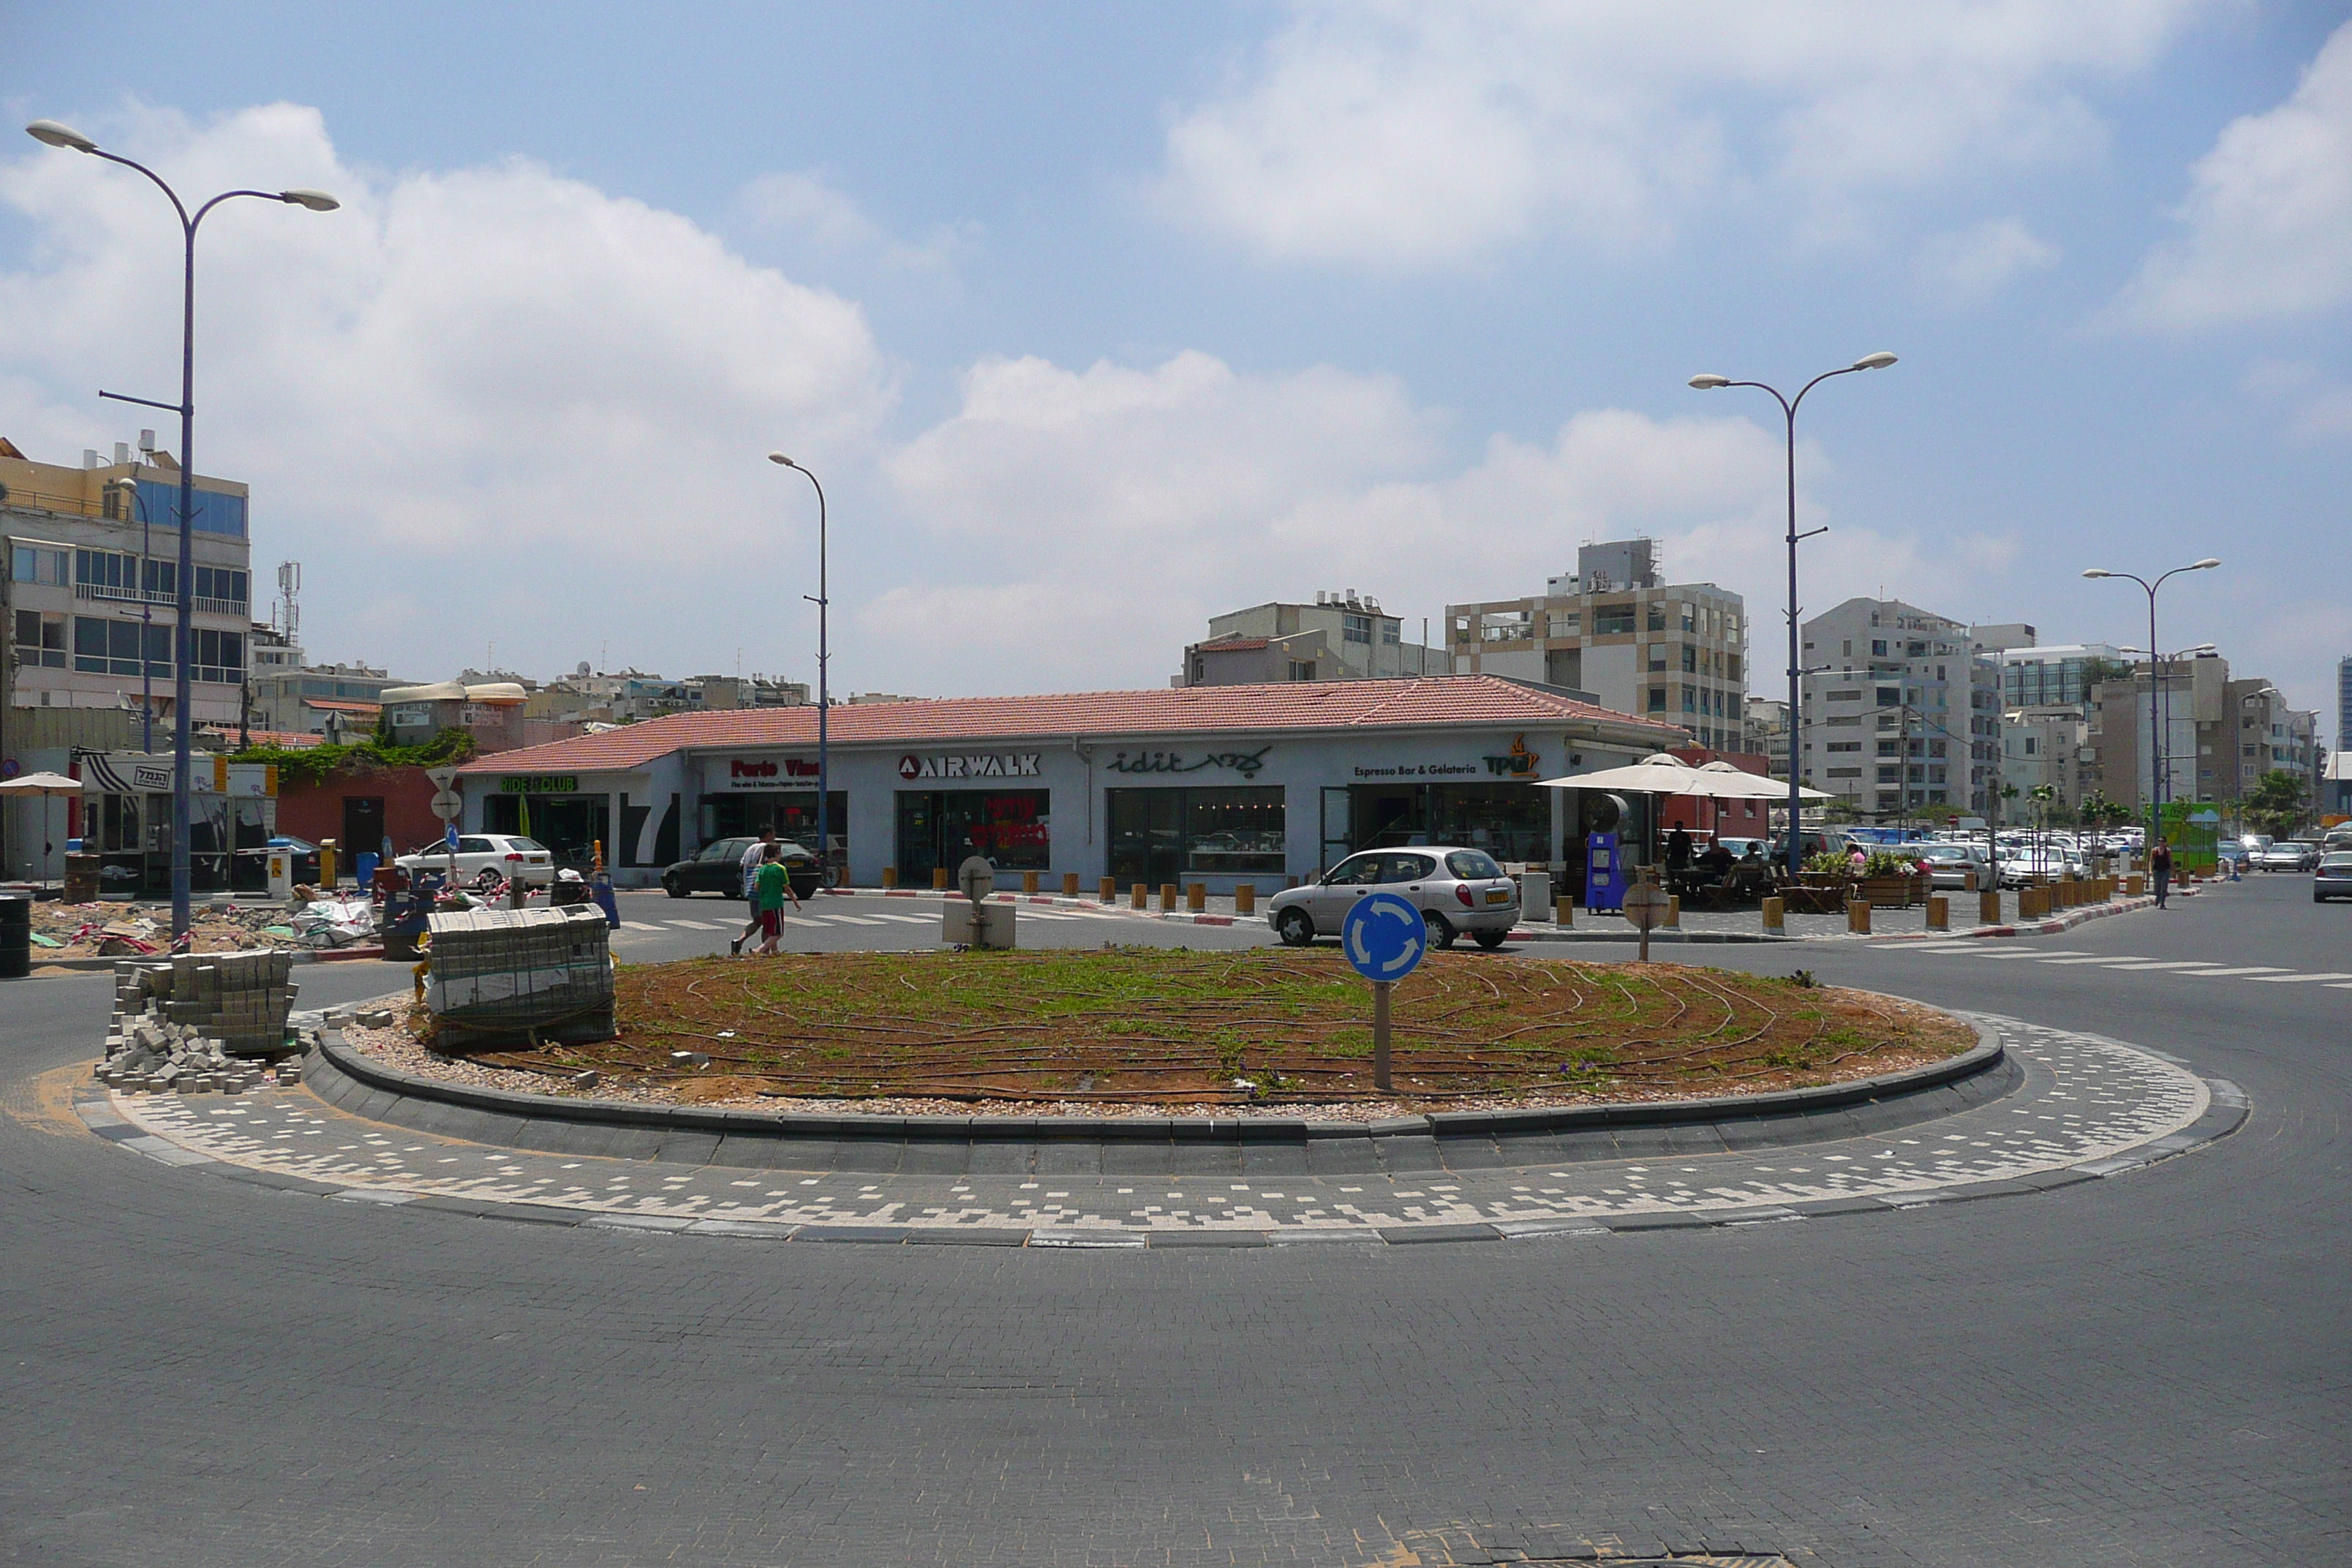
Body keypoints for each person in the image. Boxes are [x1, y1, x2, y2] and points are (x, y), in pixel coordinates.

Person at [730, 829, 784, 956]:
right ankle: (766, 951)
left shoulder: (750, 848)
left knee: (758, 920)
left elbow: (741, 866)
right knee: (768, 921)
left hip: (750, 889)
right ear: (768, 835)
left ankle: (739, 941)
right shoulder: (766, 848)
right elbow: (769, 866)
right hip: (762, 891)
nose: (774, 837)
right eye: (773, 834)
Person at [750, 843, 793, 955]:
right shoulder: (780, 869)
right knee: (778, 933)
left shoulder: (763, 869)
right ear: (777, 854)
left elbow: (756, 887)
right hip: (776, 904)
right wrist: (796, 902)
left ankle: (775, 951)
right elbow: (787, 888)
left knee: (770, 931)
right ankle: (759, 950)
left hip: (764, 904)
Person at [2150, 838, 2173, 909]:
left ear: (2165, 843)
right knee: (2157, 887)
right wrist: (2150, 870)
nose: (2161, 842)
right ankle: (2157, 899)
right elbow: (2151, 861)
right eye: (2159, 841)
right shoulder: (2154, 850)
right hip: (2156, 870)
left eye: (2162, 841)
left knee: (2164, 887)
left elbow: (2170, 861)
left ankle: (2162, 903)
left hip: (2165, 870)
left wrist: (2173, 870)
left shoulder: (2168, 851)